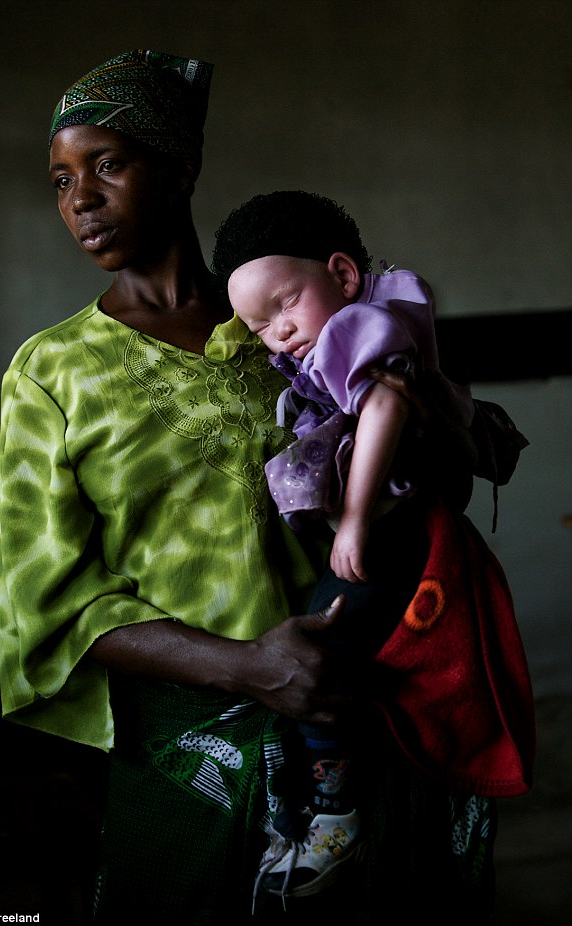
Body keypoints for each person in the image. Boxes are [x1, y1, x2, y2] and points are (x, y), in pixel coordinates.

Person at [0, 50, 534, 926]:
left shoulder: (290, 324)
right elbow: (48, 602)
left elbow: (448, 467)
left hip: (368, 723)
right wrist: (252, 669)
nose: (80, 199)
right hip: (192, 751)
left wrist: (434, 431)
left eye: (108, 164)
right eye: (60, 180)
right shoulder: (51, 374)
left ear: (180, 169)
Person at [212, 190, 535, 907]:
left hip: (391, 534)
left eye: (285, 304)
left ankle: (333, 817)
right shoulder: (331, 340)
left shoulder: (363, 326)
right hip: (390, 533)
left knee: (319, 656)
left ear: (343, 274)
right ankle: (316, 811)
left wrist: (354, 518)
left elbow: (384, 404)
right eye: (259, 326)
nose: (279, 331)